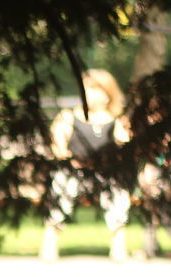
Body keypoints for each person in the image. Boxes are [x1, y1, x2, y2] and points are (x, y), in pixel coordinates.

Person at [41, 69, 132, 262]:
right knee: (62, 184)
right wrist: (63, 149)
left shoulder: (116, 121)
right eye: (85, 89)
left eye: (93, 90)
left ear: (107, 94)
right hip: (74, 171)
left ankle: (119, 246)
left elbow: (124, 149)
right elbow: (58, 147)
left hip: (104, 174)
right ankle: (49, 243)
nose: (87, 94)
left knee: (118, 191)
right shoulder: (68, 117)